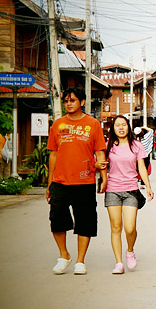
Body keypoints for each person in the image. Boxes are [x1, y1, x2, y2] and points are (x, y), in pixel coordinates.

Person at [46, 87, 107, 275]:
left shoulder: (93, 124)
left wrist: (103, 178)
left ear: (81, 102)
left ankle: (80, 260)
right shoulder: (58, 125)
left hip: (85, 181)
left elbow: (99, 152)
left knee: (85, 221)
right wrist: (49, 184)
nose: (68, 103)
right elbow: (53, 154)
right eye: (66, 101)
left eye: (72, 100)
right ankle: (64, 255)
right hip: (60, 181)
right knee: (57, 219)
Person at [97, 115, 154, 274]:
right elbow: (102, 165)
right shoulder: (109, 146)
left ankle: (130, 250)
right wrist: (102, 178)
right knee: (116, 227)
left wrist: (148, 186)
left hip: (131, 190)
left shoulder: (136, 145)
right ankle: (118, 262)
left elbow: (141, 167)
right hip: (113, 190)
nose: (121, 128)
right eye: (117, 125)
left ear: (128, 127)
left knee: (130, 228)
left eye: (123, 125)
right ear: (113, 129)